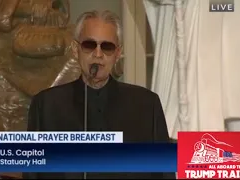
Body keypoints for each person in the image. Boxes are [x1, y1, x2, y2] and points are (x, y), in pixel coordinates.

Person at [23, 10, 175, 179]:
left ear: (117, 53)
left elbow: (165, 174)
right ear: (75, 49)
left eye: (107, 47)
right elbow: (32, 174)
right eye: (89, 45)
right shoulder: (46, 105)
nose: (98, 54)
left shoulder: (147, 105)